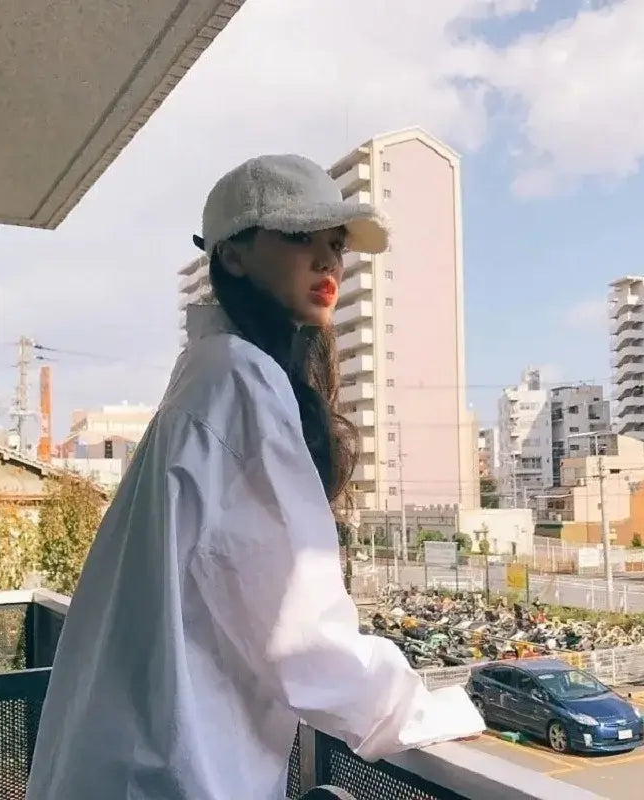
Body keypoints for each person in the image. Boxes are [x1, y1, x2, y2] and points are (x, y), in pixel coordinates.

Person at [26, 154, 484, 800]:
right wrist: (428, 710)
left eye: (336, 245)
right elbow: (300, 635)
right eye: (302, 237)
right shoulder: (240, 381)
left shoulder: (208, 373)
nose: (330, 262)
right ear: (234, 256)